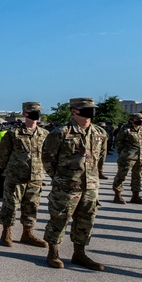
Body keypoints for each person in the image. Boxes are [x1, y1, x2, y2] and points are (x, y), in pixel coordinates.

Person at [42, 98, 108, 269]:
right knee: (59, 218)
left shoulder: (100, 132)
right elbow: (48, 159)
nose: (91, 112)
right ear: (74, 111)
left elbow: (101, 158)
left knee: (86, 220)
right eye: (86, 109)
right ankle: (53, 253)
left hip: (91, 186)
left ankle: (79, 253)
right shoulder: (60, 132)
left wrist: (94, 177)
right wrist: (61, 178)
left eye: (92, 108)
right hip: (66, 186)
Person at [0, 102, 48, 247]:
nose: (37, 114)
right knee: (10, 205)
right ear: (25, 114)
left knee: (32, 206)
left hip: (36, 177)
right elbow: (2, 155)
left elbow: (49, 155)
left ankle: (27, 233)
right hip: (15, 176)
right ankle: (6, 232)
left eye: (38, 111)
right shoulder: (13, 134)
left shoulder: (44, 134)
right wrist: (9, 170)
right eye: (33, 111)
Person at [111, 112, 142, 205]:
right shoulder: (125, 130)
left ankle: (135, 196)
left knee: (138, 176)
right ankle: (117, 195)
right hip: (127, 157)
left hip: (141, 158)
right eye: (138, 119)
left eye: (141, 119)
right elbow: (118, 143)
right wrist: (123, 154)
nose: (140, 121)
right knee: (121, 175)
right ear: (131, 120)